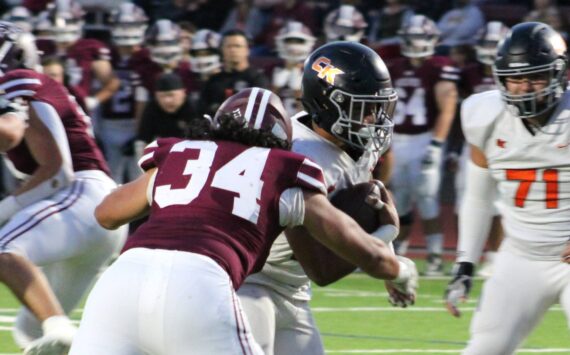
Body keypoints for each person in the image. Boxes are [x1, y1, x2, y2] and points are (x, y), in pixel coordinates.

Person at [69, 87, 415, 354]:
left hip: (119, 284)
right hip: (201, 285)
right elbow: (352, 254)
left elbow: (106, 214)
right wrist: (397, 263)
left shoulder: (179, 154)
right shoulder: (285, 171)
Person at [238, 41, 418, 355]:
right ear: (328, 104)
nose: (374, 119)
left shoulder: (341, 142)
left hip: (291, 289)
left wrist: (384, 252)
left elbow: (369, 199)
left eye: (378, 107)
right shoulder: (301, 157)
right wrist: (386, 246)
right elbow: (321, 269)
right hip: (248, 281)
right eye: (364, 108)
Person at [0, 22, 127, 354]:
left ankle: (60, 328)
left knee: (4, 250)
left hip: (82, 195)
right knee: (32, 331)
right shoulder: (28, 86)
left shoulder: (16, 80)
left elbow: (57, 173)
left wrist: (4, 210)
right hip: (94, 212)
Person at [444, 22, 570, 354]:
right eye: (515, 78)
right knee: (485, 347)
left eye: (536, 77)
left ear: (559, 75)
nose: (524, 88)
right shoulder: (483, 114)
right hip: (521, 256)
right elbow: (478, 195)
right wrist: (465, 263)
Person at [387, 14, 459, 275]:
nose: (416, 43)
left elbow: (447, 108)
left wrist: (437, 144)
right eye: (412, 37)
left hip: (424, 139)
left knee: (427, 198)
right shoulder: (393, 67)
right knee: (400, 201)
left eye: (421, 37)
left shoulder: (440, 66)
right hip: (397, 139)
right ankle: (398, 254)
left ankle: (436, 257)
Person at [450, 21, 510, 278]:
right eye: (485, 43)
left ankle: (497, 255)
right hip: (476, 142)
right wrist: (452, 149)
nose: (489, 49)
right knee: (469, 197)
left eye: (494, 44)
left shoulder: (516, 72)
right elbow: (455, 112)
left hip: (512, 141)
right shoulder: (468, 74)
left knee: (502, 201)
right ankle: (466, 254)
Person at [40, 0, 120, 115]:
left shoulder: (89, 47)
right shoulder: (41, 46)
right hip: (47, 106)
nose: (63, 26)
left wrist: (93, 101)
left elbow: (112, 82)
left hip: (77, 108)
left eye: (69, 21)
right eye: (57, 21)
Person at [99, 2, 149, 184]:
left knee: (140, 180)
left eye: (131, 26)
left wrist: (141, 131)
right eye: (122, 26)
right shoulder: (105, 55)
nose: (126, 31)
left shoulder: (147, 57)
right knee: (111, 181)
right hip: (109, 124)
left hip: (136, 124)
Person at [200, 29, 269, 117]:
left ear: (247, 50)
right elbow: (203, 112)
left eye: (237, 46)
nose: (233, 50)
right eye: (229, 46)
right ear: (222, 50)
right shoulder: (213, 80)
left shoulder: (257, 79)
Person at [135, 72, 196, 154]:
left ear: (183, 93)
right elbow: (144, 140)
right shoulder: (152, 109)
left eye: (171, 95)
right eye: (162, 96)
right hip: (164, 154)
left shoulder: (195, 109)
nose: (167, 100)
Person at [271, 21, 316, 117]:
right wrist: (276, 87)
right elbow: (264, 105)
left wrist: (297, 91)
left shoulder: (313, 71)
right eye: (290, 41)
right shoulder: (271, 68)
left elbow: (308, 110)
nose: (293, 45)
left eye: (298, 41)